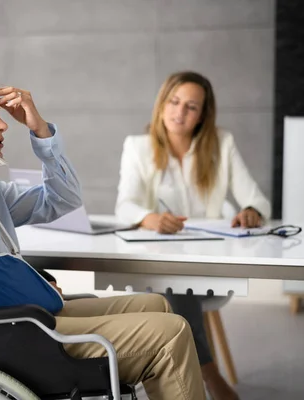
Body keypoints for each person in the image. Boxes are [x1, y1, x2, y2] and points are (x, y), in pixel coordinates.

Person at [0, 69, 205, 399]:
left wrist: (41, 130)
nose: (3, 124)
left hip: (22, 321)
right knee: (172, 332)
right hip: (10, 337)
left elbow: (63, 199)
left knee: (157, 306)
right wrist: (40, 289)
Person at [115, 70, 271, 400]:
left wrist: (251, 212)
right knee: (169, 286)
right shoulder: (138, 147)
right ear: (162, 104)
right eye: (174, 102)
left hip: (207, 263)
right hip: (156, 263)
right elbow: (124, 206)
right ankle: (211, 381)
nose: (179, 112)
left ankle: (191, 382)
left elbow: (256, 199)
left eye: (191, 106)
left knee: (172, 289)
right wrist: (150, 218)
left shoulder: (222, 144)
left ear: (203, 114)